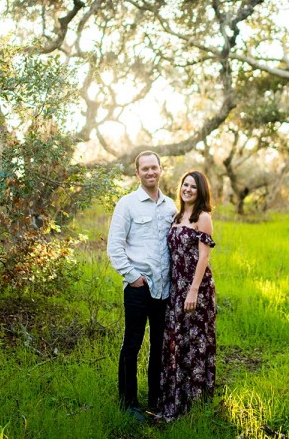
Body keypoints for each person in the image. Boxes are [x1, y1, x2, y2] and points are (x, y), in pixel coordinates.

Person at [107, 150, 178, 421]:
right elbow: (114, 247)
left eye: (154, 168)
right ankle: (129, 402)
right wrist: (132, 276)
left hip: (164, 289)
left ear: (161, 170)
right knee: (132, 345)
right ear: (137, 173)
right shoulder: (127, 204)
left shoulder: (171, 206)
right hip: (138, 288)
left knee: (160, 346)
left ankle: (157, 400)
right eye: (144, 169)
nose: (150, 172)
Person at [158, 170, 217, 421]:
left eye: (193, 186)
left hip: (197, 289)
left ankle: (194, 404)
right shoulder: (176, 216)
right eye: (185, 185)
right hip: (176, 287)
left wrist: (193, 290)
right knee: (176, 340)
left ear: (200, 191)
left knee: (195, 342)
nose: (188, 189)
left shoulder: (202, 217)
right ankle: (174, 400)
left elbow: (204, 257)